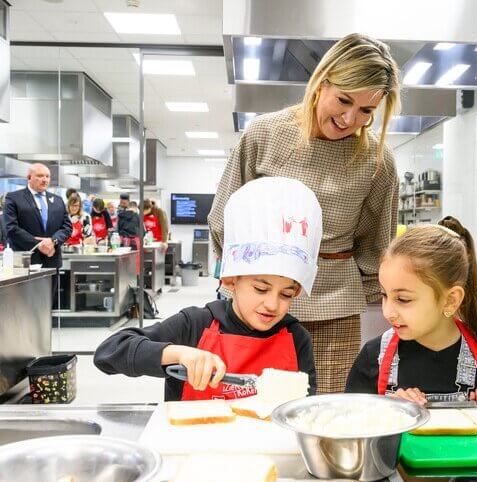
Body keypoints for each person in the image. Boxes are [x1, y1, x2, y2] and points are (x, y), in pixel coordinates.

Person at [208, 33, 401, 394]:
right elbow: (224, 217)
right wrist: (234, 284)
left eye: (366, 111)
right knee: (251, 403)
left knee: (325, 409)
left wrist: (381, 298)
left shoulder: (378, 161)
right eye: (343, 100)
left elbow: (377, 243)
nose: (349, 118)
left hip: (335, 309)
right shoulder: (266, 134)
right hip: (259, 299)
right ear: (322, 82)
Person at [94, 178, 321, 401]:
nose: (273, 305)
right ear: (231, 280)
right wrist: (179, 353)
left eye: (286, 294)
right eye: (261, 289)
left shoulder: (296, 338)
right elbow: (108, 353)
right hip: (194, 437)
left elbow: (304, 408)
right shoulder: (194, 325)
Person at [345, 217, 477, 407]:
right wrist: (388, 410)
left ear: (451, 300)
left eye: (403, 299)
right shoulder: (373, 356)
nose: (388, 312)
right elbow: (353, 422)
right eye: (384, 295)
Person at [3, 163, 71, 270]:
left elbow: (67, 227)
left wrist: (53, 241)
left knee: (51, 287)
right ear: (29, 178)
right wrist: (38, 244)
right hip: (25, 261)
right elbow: (11, 228)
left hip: (51, 260)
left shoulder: (58, 200)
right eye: (40, 176)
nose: (44, 180)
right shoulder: (14, 198)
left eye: (47, 176)